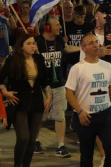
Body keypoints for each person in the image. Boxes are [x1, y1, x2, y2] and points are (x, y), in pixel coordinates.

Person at [65, 33, 111, 167]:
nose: (96, 45)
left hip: (105, 114)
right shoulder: (77, 68)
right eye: (91, 43)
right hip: (86, 118)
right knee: (86, 155)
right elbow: (69, 93)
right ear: (84, 48)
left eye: (96, 42)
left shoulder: (108, 66)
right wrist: (80, 112)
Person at [0, 35, 52, 167]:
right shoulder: (13, 60)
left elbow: (45, 81)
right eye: (29, 43)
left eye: (34, 43)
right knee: (23, 137)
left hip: (36, 102)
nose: (33, 46)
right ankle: (17, 164)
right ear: (21, 46)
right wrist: (5, 92)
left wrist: (49, 96)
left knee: (32, 140)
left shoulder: (39, 59)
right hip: (19, 103)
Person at [34, 15, 78, 158]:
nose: (60, 27)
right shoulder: (37, 42)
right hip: (41, 86)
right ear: (47, 28)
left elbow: (67, 48)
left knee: (60, 115)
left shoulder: (59, 40)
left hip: (59, 84)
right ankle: (35, 141)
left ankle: (61, 145)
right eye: (57, 25)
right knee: (39, 116)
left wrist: (82, 48)